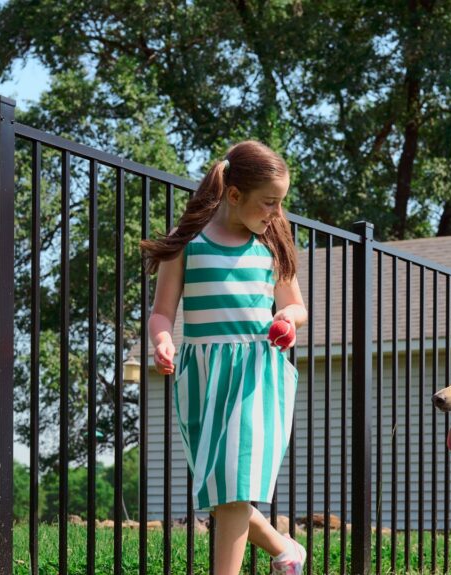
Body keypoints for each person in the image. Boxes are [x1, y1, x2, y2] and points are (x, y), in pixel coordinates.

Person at [140, 140, 308, 575]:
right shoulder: (189, 245)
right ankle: (285, 550)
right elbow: (162, 312)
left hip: (257, 373)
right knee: (221, 492)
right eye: (269, 203)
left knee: (234, 485)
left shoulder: (272, 245)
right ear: (235, 196)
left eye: (279, 203)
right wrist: (161, 340)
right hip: (202, 379)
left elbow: (296, 305)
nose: (276, 212)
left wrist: (288, 320)